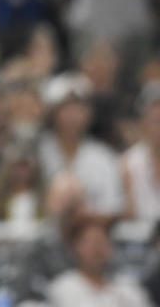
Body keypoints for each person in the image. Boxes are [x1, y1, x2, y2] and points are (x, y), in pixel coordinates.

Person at [38, 73, 125, 218]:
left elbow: (113, 208)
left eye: (78, 107)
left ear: (89, 113)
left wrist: (81, 211)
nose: (72, 115)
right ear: (52, 112)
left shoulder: (103, 157)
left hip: (87, 235)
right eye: (65, 108)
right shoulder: (37, 151)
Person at [47, 217, 149, 307]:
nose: (97, 249)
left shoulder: (128, 288)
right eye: (90, 243)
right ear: (75, 248)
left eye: (102, 242)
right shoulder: (64, 288)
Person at [123, 82, 160, 221]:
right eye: (156, 120)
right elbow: (128, 214)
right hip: (139, 239)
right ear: (143, 123)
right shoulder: (128, 162)